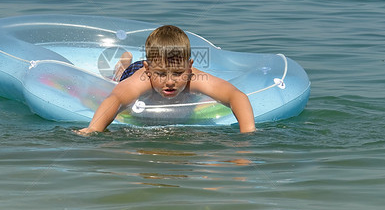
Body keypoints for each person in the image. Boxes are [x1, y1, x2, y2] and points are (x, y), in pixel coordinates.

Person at [77, 25, 255, 134]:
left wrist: (248, 134)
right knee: (119, 77)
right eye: (162, 75)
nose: (170, 81)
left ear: (189, 66)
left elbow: (235, 96)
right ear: (149, 70)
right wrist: (94, 129)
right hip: (135, 70)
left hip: (157, 64)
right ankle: (124, 62)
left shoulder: (193, 77)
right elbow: (115, 99)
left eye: (178, 73)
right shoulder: (142, 78)